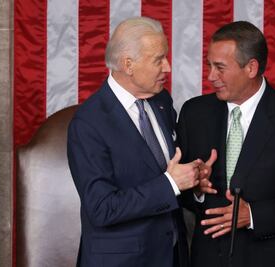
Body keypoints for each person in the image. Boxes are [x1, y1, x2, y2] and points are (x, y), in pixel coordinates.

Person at [176, 21, 275, 267]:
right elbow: (180, 193)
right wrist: (195, 188)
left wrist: (254, 216)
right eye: (209, 65)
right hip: (208, 258)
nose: (210, 76)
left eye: (220, 67)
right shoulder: (194, 113)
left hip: (273, 258)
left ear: (251, 67)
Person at [67, 17, 201, 267]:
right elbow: (102, 208)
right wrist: (171, 183)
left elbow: (169, 173)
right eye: (158, 59)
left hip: (173, 255)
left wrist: (193, 181)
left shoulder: (161, 102)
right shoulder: (88, 123)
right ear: (128, 64)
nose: (168, 67)